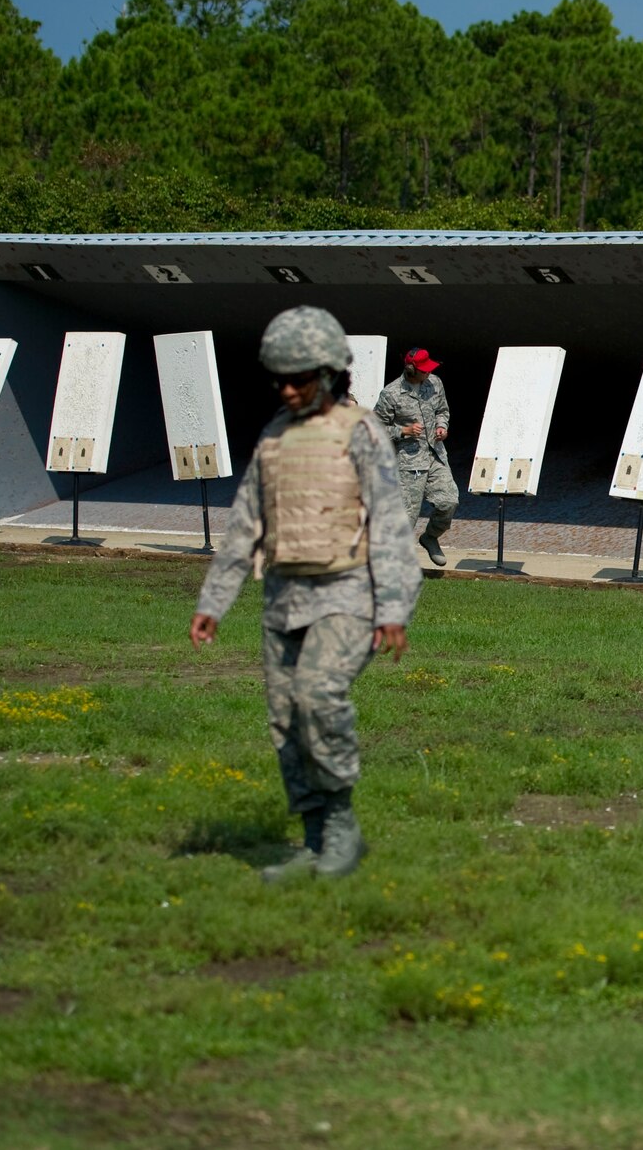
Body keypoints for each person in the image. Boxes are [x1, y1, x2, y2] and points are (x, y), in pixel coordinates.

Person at [189, 307, 421, 882]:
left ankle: (343, 830)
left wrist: (393, 607)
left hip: (349, 592)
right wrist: (214, 602)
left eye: (300, 380)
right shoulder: (274, 436)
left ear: (329, 374)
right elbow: (246, 525)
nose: (288, 390)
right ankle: (315, 841)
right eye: (281, 381)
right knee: (287, 718)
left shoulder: (360, 431)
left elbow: (391, 523)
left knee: (318, 696)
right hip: (284, 597)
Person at [374, 347, 458, 566]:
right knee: (406, 517)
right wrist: (403, 431)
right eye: (424, 370)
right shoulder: (391, 394)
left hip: (435, 456)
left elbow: (442, 410)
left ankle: (430, 537)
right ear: (412, 370)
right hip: (408, 462)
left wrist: (442, 426)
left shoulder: (435, 383)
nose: (429, 373)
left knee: (448, 502)